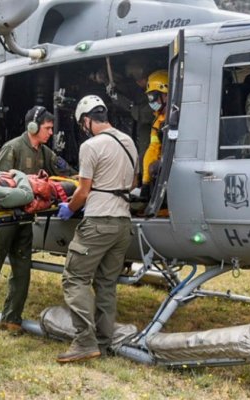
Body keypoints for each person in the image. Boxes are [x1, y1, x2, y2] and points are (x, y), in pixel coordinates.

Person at [0, 105, 73, 333]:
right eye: (48, 128)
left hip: (25, 220)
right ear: (33, 127)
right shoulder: (12, 148)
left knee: (22, 270)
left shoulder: (43, 152)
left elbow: (65, 171)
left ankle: (12, 318)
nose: (51, 132)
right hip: (4, 220)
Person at [55, 95, 137, 363]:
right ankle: (104, 340)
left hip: (99, 221)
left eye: (83, 124)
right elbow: (133, 180)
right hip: (123, 223)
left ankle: (84, 341)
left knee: (74, 278)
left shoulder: (91, 146)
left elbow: (83, 190)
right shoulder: (129, 142)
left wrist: (69, 207)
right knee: (106, 284)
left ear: (87, 120)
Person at [140, 69, 168, 200]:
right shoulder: (158, 121)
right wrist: (145, 182)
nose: (152, 102)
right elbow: (152, 150)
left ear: (166, 94)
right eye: (149, 97)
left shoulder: (182, 115)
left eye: (154, 96)